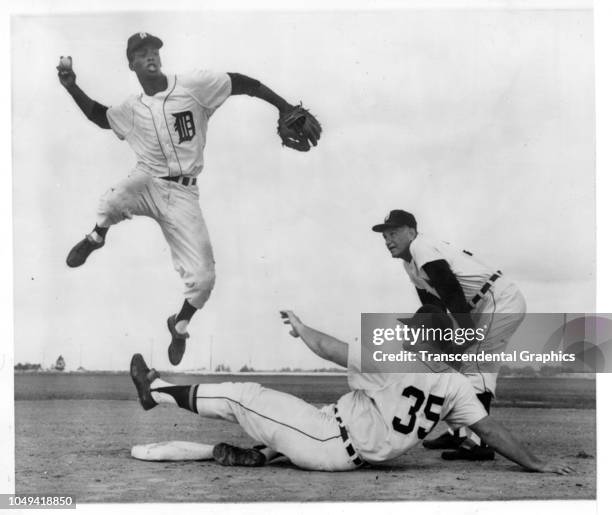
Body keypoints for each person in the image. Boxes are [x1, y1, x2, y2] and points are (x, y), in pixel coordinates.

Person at [56, 32, 319, 366]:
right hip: (148, 180)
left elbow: (242, 82)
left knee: (205, 279)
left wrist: (283, 106)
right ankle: (96, 237)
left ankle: (179, 326)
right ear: (131, 64)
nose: (150, 56)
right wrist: (70, 86)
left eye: (154, 51)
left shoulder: (193, 86)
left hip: (183, 193)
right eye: (141, 53)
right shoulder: (131, 109)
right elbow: (100, 116)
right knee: (112, 199)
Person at [129, 308, 572, 474]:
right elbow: (492, 434)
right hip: (344, 441)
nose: (406, 334)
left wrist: (302, 327)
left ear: (424, 338)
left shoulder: (395, 362)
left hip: (328, 441)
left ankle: (157, 389)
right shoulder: (456, 384)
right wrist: (539, 464)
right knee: (299, 416)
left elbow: (329, 348)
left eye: (412, 331)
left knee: (242, 396)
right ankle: (264, 453)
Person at [372, 209, 527, 461]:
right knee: (453, 365)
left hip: (498, 299)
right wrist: (441, 341)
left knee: (476, 365)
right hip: (475, 306)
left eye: (394, 233)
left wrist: (464, 331)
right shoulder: (409, 264)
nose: (388, 240)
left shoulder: (421, 247)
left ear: (412, 232)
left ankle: (479, 443)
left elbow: (450, 288)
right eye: (385, 236)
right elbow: (435, 307)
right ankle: (458, 433)